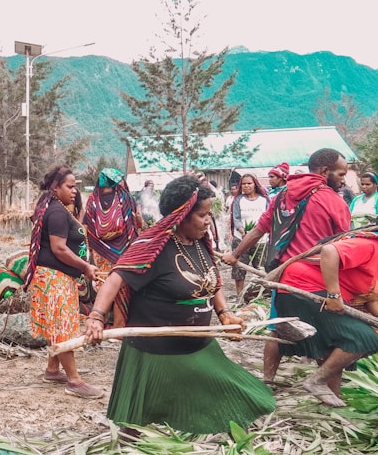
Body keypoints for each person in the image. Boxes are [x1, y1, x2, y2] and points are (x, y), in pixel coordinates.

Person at [86, 175, 275, 434]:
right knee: (139, 430)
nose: (209, 221)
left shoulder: (199, 244)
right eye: (203, 215)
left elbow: (212, 281)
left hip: (198, 345)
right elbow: (116, 277)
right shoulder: (151, 247)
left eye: (209, 214)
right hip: (156, 353)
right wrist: (96, 317)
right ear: (181, 215)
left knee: (245, 397)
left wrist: (225, 314)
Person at [222, 148, 351, 385]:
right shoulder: (333, 201)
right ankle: (329, 393)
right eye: (341, 174)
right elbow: (343, 244)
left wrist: (235, 254)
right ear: (324, 171)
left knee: (278, 329)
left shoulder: (282, 196)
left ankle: (268, 381)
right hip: (318, 280)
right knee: (329, 336)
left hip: (284, 278)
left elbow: (259, 229)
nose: (343, 180)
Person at [275, 209, 378, 407]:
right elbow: (330, 251)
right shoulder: (369, 246)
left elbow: (375, 303)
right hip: (301, 291)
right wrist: (334, 295)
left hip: (312, 294)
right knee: (365, 337)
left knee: (337, 347)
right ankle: (315, 381)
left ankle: (331, 401)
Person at [24, 166, 101, 399]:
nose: (74, 191)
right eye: (70, 186)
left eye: (76, 186)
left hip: (53, 277)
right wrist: (85, 266)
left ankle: (52, 369)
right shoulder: (57, 212)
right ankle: (75, 381)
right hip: (53, 279)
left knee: (58, 324)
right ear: (55, 187)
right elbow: (59, 248)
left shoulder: (55, 208)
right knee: (63, 328)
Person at [82, 168, 142, 276]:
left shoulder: (92, 200)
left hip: (100, 252)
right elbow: (134, 222)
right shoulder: (125, 197)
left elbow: (87, 226)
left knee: (104, 282)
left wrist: (89, 249)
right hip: (125, 252)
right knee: (122, 283)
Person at [229, 174, 270, 299]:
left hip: (261, 240)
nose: (246, 186)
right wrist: (243, 232)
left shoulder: (264, 200)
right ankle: (239, 296)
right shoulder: (238, 200)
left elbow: (268, 217)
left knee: (261, 268)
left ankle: (260, 295)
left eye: (249, 183)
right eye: (244, 184)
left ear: (255, 184)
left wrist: (256, 232)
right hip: (241, 239)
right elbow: (236, 218)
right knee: (239, 268)